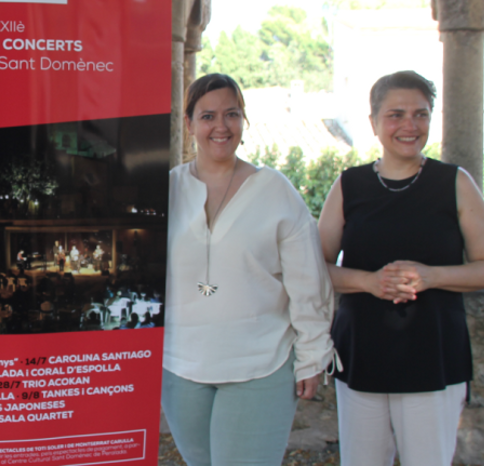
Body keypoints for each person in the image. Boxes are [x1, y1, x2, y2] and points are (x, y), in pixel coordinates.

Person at [162, 73, 335, 466]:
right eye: (207, 116)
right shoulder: (167, 189)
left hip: (261, 364)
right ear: (188, 123)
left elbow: (308, 281)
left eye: (232, 114)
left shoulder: (275, 191)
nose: (221, 126)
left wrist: (312, 354)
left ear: (244, 121)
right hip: (180, 366)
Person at [317, 71, 484, 466]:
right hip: (361, 352)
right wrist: (368, 282)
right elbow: (313, 268)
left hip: (434, 355)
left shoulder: (456, 183)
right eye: (396, 114)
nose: (410, 125)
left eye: (421, 114)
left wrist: (432, 276)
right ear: (374, 122)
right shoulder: (349, 186)